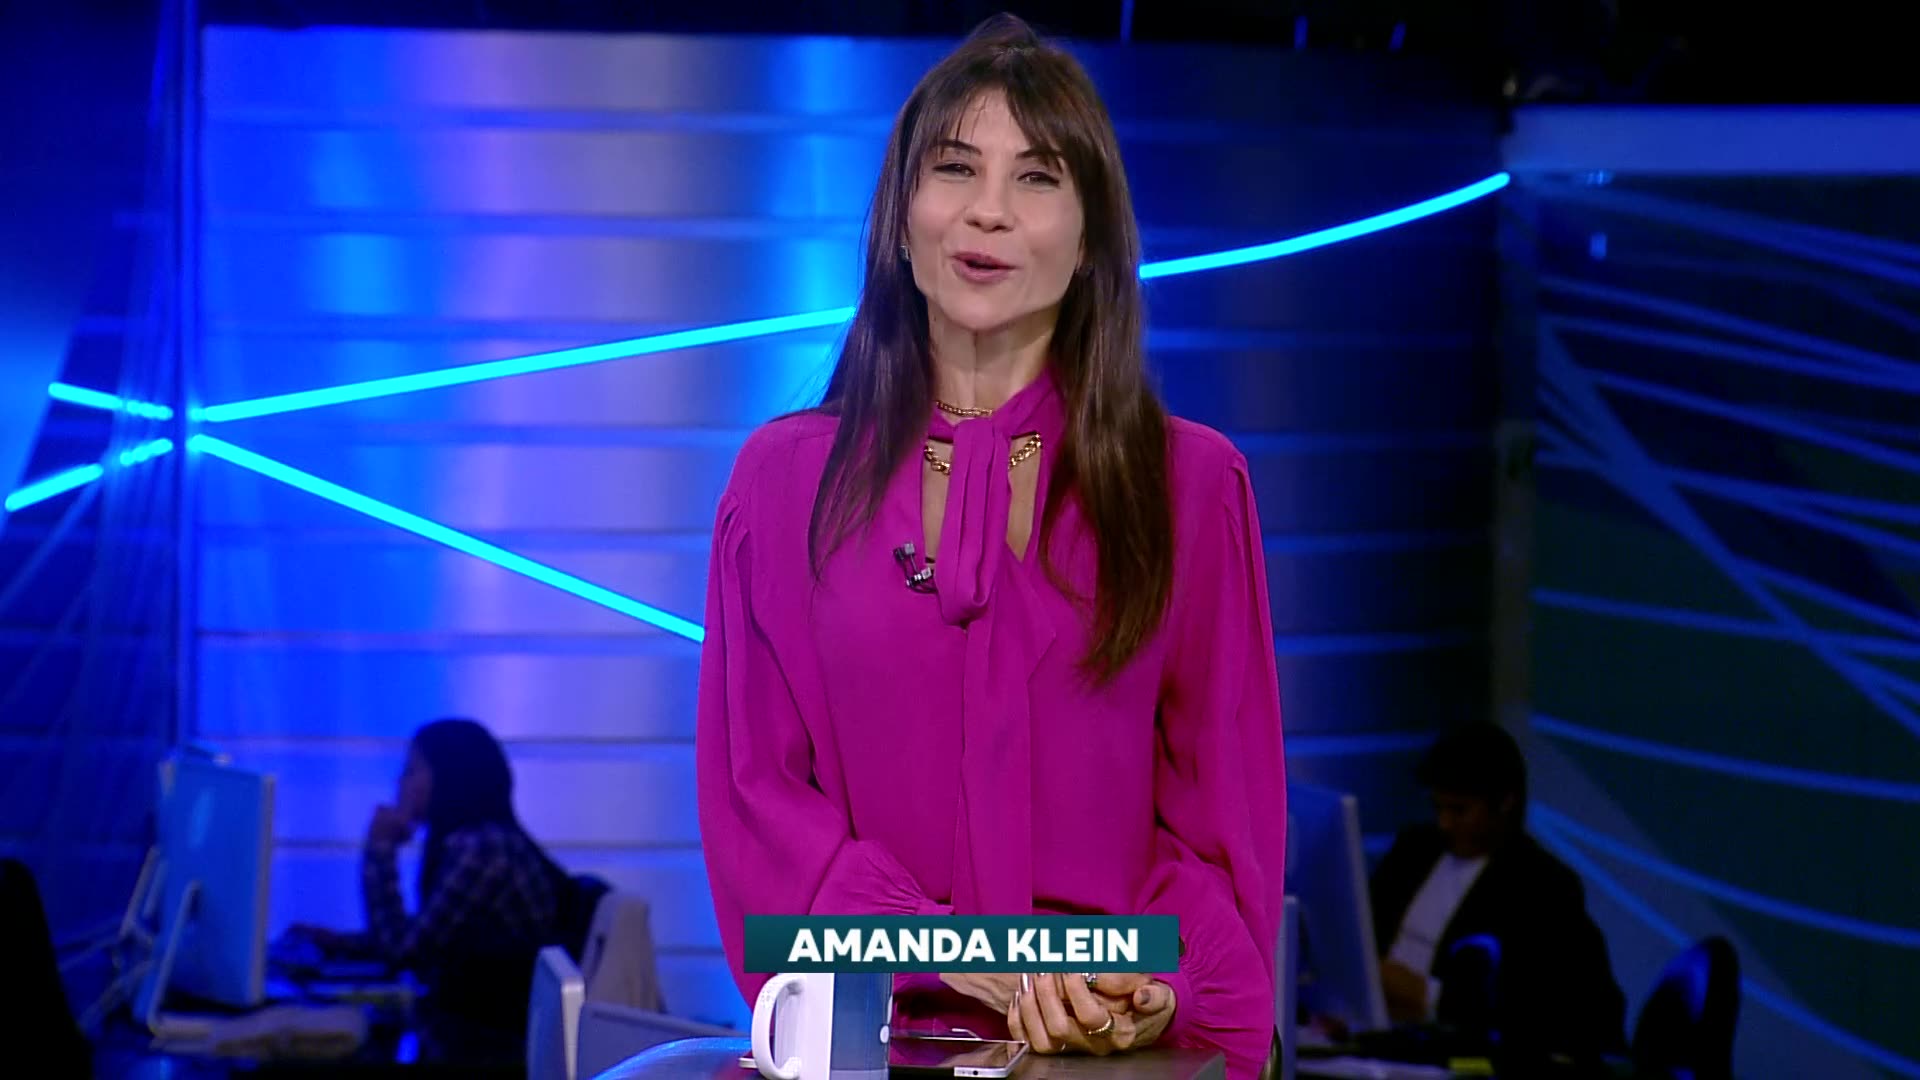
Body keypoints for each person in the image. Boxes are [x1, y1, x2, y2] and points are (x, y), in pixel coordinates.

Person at [695, 14, 1286, 1079]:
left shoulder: (1191, 487)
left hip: (1102, 1057)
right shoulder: (782, 487)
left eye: (1038, 177)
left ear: (1091, 238)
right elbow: (761, 819)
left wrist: (1152, 986)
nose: (989, 211)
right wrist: (961, 955)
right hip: (866, 1054)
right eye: (956, 168)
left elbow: (1218, 830)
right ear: (901, 218)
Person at [291, 718, 578, 1063]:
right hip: (477, 1032)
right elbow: (432, 938)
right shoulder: (479, 842)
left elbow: (407, 953)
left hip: (487, 1045)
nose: (400, 782)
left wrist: (381, 850)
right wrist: (343, 943)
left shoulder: (482, 850)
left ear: (449, 776)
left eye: (411, 770)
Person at [1369, 723, 1627, 1058]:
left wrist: (1429, 997)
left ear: (1505, 802)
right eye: (1438, 808)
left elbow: (1545, 1007)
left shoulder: (1543, 887)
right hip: (1374, 1030)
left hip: (1451, 1051)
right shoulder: (1413, 849)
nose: (1444, 823)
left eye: (1459, 810)